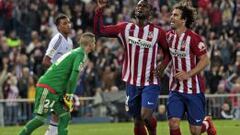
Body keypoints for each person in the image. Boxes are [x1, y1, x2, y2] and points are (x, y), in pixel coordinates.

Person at [94, 0, 170, 135]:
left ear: (150, 13)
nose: (140, 8)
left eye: (144, 6)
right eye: (138, 5)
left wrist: (163, 66)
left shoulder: (158, 32)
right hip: (131, 82)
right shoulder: (124, 28)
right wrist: (99, 11)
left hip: (150, 81)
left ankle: (153, 132)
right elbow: (100, 31)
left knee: (146, 116)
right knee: (137, 120)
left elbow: (168, 54)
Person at [18, 32, 96, 135]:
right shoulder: (81, 54)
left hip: (54, 89)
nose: (95, 44)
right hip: (48, 87)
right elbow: (73, 78)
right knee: (40, 119)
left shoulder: (75, 52)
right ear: (90, 44)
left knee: (65, 116)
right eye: (94, 42)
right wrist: (69, 95)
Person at [157, 3, 217, 135]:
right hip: (176, 89)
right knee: (173, 123)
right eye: (171, 14)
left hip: (193, 89)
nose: (171, 17)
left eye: (175, 15)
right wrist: (161, 67)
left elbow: (205, 60)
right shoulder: (169, 36)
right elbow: (168, 55)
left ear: (183, 20)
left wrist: (188, 74)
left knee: (195, 131)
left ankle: (206, 123)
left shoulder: (193, 38)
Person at [42, 14, 73, 135]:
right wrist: (59, 73)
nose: (68, 25)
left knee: (58, 112)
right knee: (62, 111)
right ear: (58, 27)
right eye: (64, 23)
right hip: (55, 81)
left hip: (64, 81)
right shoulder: (58, 39)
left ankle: (51, 133)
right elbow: (45, 60)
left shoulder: (69, 41)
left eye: (69, 22)